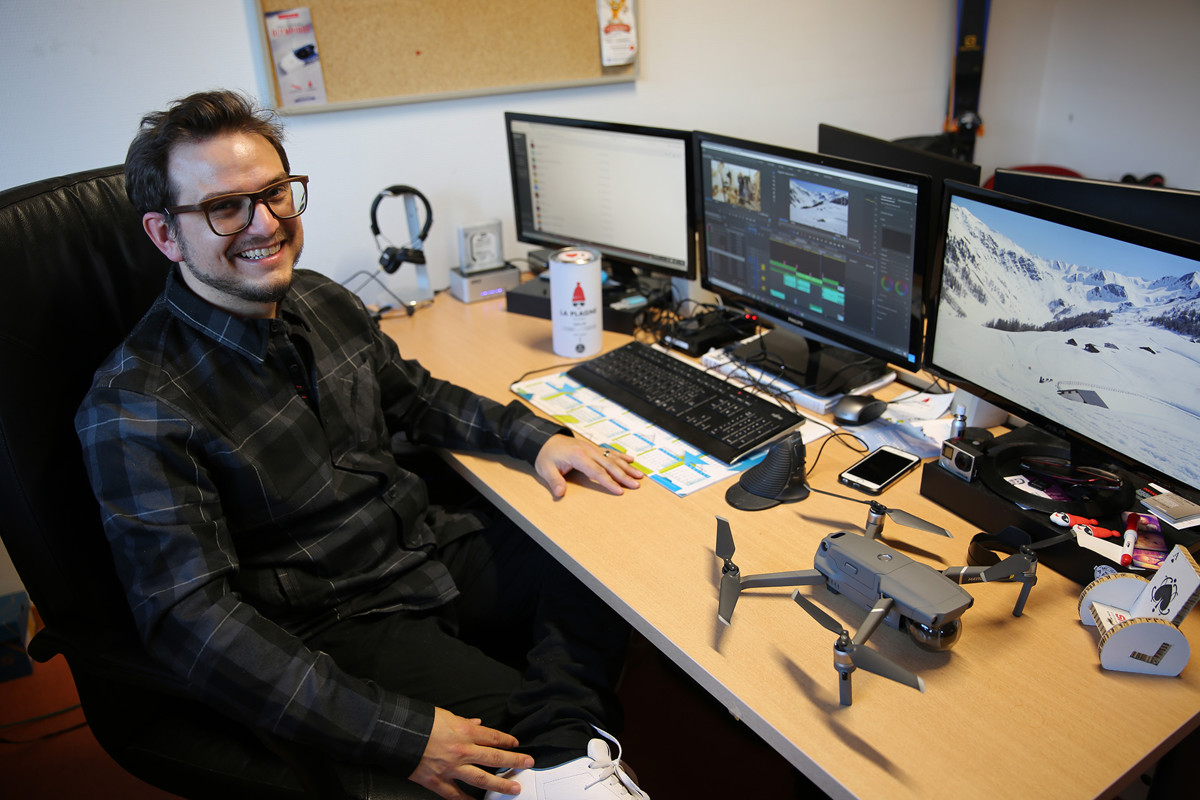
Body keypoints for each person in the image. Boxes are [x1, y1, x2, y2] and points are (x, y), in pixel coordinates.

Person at [74, 89, 650, 800]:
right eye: (226, 206)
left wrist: (532, 440)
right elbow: (191, 623)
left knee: (604, 566)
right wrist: (399, 736)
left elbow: (415, 396)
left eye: (277, 193)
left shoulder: (319, 298)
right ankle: (564, 754)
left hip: (420, 548)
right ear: (166, 236)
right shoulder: (136, 404)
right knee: (506, 750)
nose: (265, 222)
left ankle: (565, 743)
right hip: (337, 620)